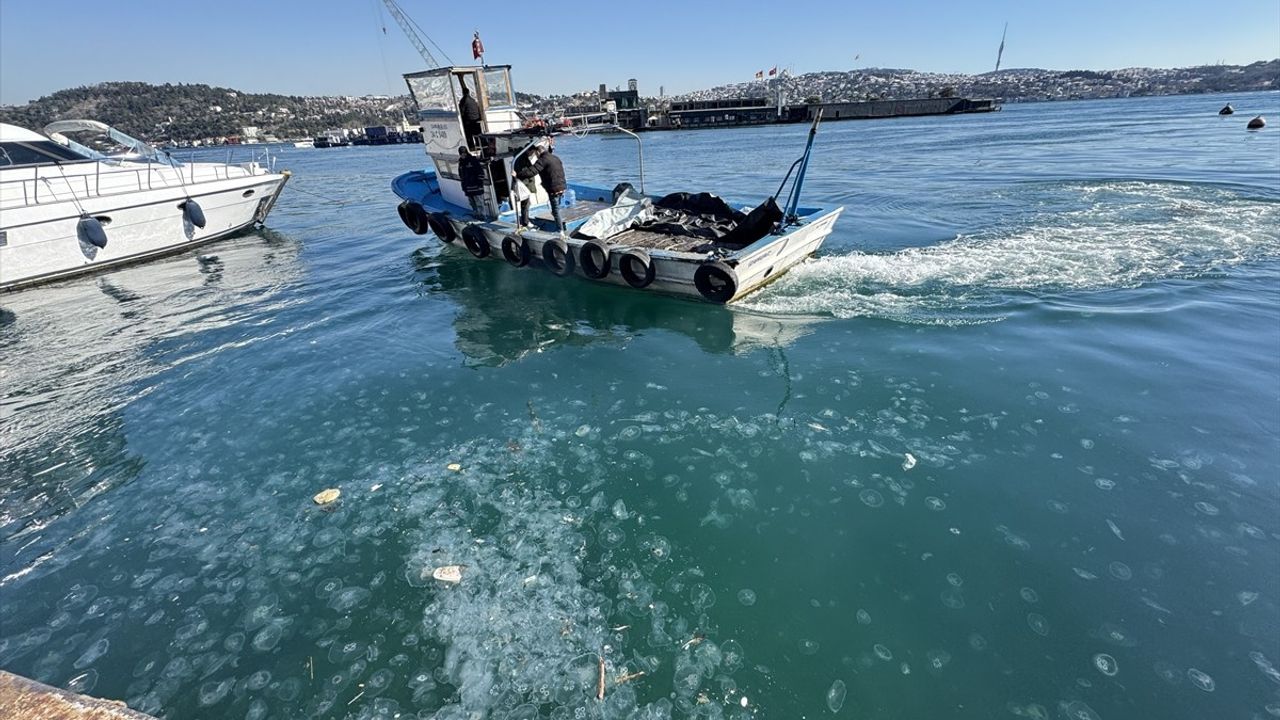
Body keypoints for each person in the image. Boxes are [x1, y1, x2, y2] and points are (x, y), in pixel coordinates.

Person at [532, 144, 567, 234]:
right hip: (562, 186)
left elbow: (533, 171)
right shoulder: (555, 158)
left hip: (553, 189)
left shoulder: (542, 160)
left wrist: (519, 174)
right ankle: (559, 224)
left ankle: (560, 230)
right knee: (556, 208)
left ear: (538, 152)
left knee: (555, 210)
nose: (536, 156)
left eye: (536, 154)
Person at [512, 143, 542, 228]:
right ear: (528, 150)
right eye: (532, 152)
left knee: (525, 204)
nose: (532, 154)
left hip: (525, 184)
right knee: (525, 204)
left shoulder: (521, 157)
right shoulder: (521, 158)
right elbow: (523, 172)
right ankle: (525, 222)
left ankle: (525, 220)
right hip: (524, 185)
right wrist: (532, 171)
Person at [458, 146, 487, 218]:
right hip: (467, 188)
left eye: (464, 153)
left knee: (479, 202)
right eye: (461, 153)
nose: (463, 154)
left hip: (476, 187)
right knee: (472, 203)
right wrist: (463, 186)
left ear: (466, 152)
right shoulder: (461, 163)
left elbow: (481, 173)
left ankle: (482, 216)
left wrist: (479, 184)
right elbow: (461, 176)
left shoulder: (473, 160)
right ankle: (476, 214)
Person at [458, 82, 483, 150]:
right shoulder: (473, 100)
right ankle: (478, 145)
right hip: (476, 120)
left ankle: (471, 146)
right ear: (469, 92)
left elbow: (461, 112)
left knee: (467, 133)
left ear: (463, 93)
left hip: (469, 121)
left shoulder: (463, 100)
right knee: (477, 133)